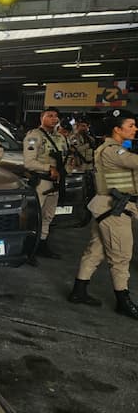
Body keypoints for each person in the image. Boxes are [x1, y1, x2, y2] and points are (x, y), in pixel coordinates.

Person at [68, 109, 138, 320]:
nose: (135, 129)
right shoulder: (112, 151)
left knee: (95, 251)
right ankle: (122, 301)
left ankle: (78, 292)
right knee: (121, 256)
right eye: (131, 126)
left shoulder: (114, 148)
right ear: (116, 129)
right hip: (114, 210)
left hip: (108, 208)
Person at [23, 107, 68, 265]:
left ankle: (42, 244)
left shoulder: (60, 138)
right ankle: (28, 250)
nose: (54, 119)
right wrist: (48, 169)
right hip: (41, 182)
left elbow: (65, 157)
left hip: (56, 183)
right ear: (42, 118)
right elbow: (29, 162)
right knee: (35, 217)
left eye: (56, 116)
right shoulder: (34, 136)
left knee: (48, 216)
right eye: (50, 116)